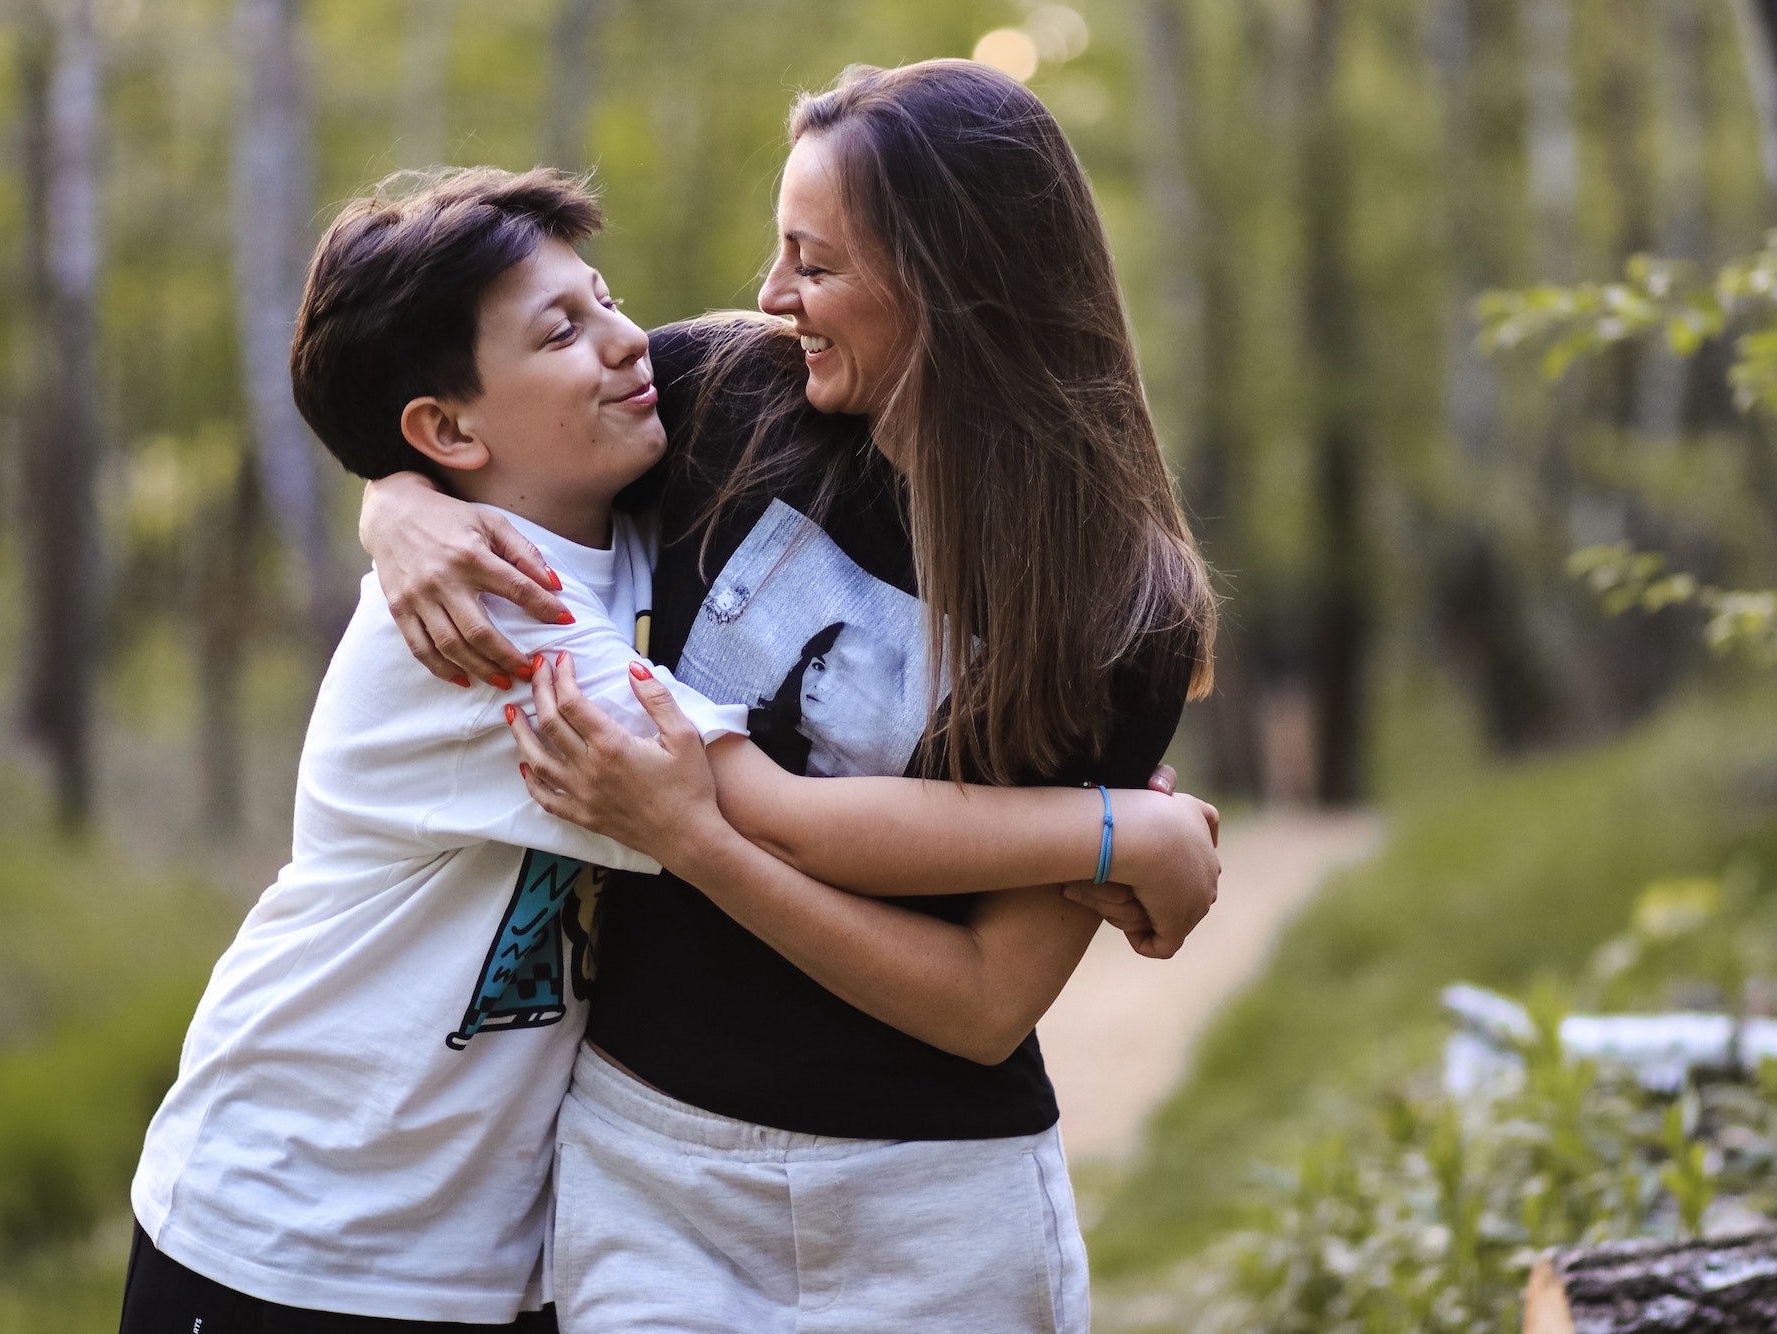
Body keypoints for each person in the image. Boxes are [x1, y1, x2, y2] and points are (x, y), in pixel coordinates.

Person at [123, 165, 1218, 1334]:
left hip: (485, 1252)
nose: (626, 338)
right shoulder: (496, 615)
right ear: (446, 428)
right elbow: (769, 810)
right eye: (562, 329)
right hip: (286, 1227)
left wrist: (400, 492)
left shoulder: (633, 512)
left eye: (603, 296)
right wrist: (1113, 824)